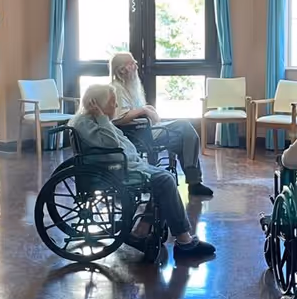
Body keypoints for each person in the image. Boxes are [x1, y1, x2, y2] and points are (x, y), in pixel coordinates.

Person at [72, 84, 216, 260]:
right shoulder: (86, 123)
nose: (115, 107)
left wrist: (104, 120)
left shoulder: (95, 122)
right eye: (112, 103)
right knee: (165, 180)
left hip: (126, 166)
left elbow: (120, 143)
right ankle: (184, 240)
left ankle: (141, 231)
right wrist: (102, 118)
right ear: (99, 104)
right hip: (117, 170)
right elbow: (111, 144)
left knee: (165, 178)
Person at [108, 52, 213, 197]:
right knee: (186, 129)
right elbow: (119, 118)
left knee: (186, 137)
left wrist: (147, 109)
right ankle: (194, 182)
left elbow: (133, 110)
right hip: (137, 133)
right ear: (121, 70)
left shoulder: (129, 87)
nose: (136, 65)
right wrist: (144, 110)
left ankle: (194, 182)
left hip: (143, 129)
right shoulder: (117, 89)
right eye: (132, 63)